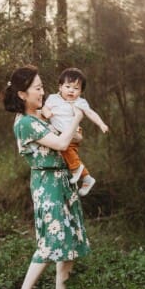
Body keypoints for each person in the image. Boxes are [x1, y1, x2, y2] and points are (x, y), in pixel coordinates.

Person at [3, 65, 90, 289]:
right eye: (38, 88)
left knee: (69, 241)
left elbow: (75, 139)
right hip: (48, 185)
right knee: (50, 242)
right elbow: (64, 141)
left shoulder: (42, 114)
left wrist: (71, 127)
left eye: (42, 87)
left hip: (65, 181)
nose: (43, 92)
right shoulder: (26, 123)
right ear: (22, 94)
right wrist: (76, 118)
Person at [42, 67, 109, 196]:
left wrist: (101, 124)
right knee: (68, 155)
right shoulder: (53, 99)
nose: (71, 91)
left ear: (81, 91)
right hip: (60, 132)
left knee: (66, 150)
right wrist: (47, 113)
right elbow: (44, 107)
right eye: (68, 86)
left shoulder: (79, 102)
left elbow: (91, 113)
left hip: (73, 132)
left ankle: (77, 169)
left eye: (76, 88)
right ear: (60, 87)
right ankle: (87, 178)